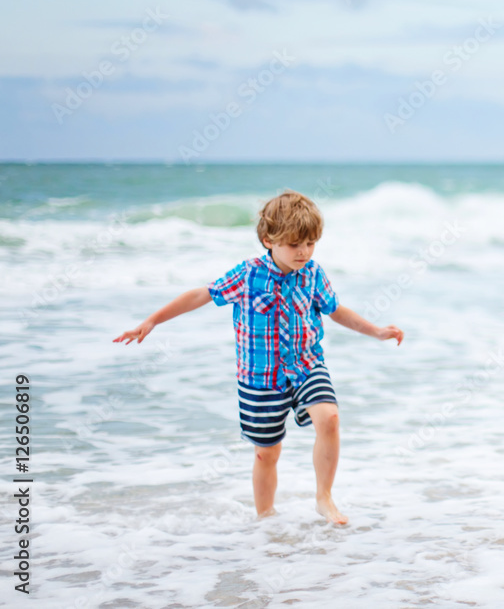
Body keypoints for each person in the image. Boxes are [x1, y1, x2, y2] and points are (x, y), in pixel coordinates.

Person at [113, 190, 403, 524]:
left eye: (310, 244)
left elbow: (336, 311)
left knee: (330, 419)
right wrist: (151, 321)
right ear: (268, 240)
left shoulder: (313, 274)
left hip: (307, 365)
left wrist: (377, 331)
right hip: (259, 377)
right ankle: (265, 519)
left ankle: (324, 497)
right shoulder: (248, 274)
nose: (303, 252)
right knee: (266, 454)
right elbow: (199, 295)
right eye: (295, 245)